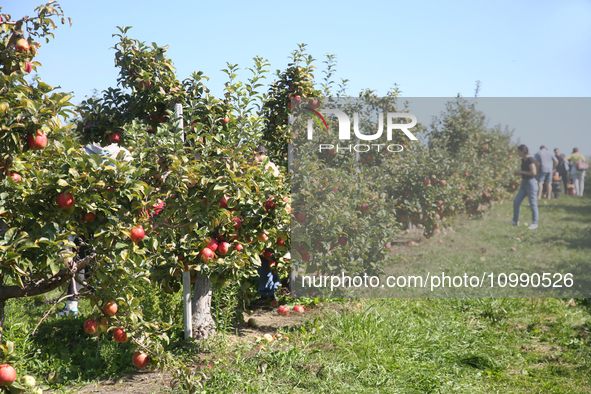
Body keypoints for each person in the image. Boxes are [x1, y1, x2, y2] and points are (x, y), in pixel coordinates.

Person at [57, 141, 133, 317]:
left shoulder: (122, 154)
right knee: (78, 255)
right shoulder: (82, 151)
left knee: (96, 257)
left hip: (104, 218)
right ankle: (75, 304)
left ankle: (98, 302)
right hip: (85, 215)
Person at [253, 143, 282, 304]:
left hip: (266, 218)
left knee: (267, 256)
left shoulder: (267, 168)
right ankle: (269, 292)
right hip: (267, 218)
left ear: (258, 154)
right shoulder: (271, 167)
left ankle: (268, 293)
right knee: (267, 256)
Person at [510, 144, 539, 230]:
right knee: (516, 201)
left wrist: (521, 172)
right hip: (524, 183)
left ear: (523, 151)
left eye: (518, 151)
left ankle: (535, 223)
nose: (517, 153)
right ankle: (515, 221)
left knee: (533, 204)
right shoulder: (523, 160)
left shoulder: (530, 160)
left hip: (531, 184)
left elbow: (533, 173)